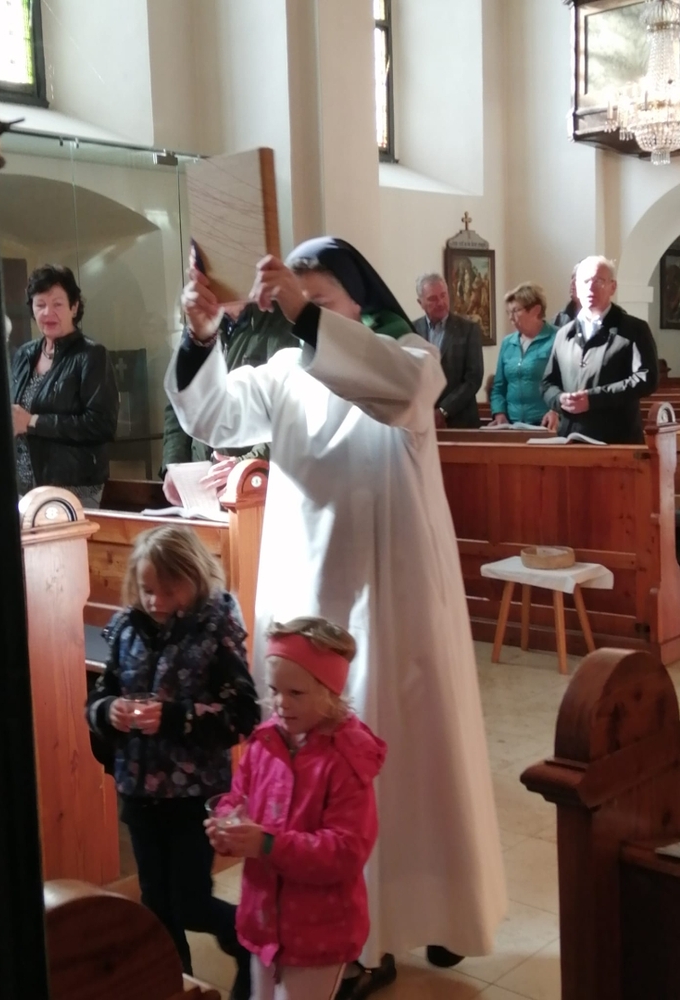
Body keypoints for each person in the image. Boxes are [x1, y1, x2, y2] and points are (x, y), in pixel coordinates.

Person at [166, 236, 506, 994]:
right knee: (317, 766)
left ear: (359, 299)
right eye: (297, 299)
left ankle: (432, 909)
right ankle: (348, 940)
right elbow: (215, 412)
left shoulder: (410, 356)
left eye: (317, 299)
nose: (300, 311)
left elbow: (399, 391)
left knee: (409, 759)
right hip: (314, 587)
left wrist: (303, 315)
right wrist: (200, 335)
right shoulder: (287, 371)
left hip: (395, 597)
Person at [85, 524, 260, 1000]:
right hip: (138, 790)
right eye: (147, 589)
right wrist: (109, 712)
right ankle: (174, 987)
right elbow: (99, 696)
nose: (156, 601)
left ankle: (250, 943)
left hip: (193, 795)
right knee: (156, 906)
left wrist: (173, 717)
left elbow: (242, 715)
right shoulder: (126, 627)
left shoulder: (216, 630)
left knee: (189, 903)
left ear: (196, 579)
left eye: (169, 590)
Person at [206, 616, 387, 1000]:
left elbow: (346, 850)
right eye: (274, 690)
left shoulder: (345, 760)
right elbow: (238, 797)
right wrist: (226, 822)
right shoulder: (265, 743)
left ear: (330, 692)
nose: (280, 703)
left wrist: (267, 844)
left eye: (296, 693)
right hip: (262, 918)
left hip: (320, 931)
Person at [161, 301, 298, 499]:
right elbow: (178, 405)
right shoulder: (202, 325)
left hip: (253, 489)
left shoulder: (282, 321)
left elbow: (290, 413)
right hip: (200, 487)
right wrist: (175, 466)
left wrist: (245, 465)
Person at [10, 264, 119, 508]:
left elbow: (102, 425)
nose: (48, 312)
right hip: (24, 487)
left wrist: (33, 422)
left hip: (75, 487)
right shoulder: (24, 354)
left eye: (57, 304)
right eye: (40, 304)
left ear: (74, 307)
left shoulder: (92, 355)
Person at [541, 255, 659, 444]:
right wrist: (560, 399)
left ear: (613, 287)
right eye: (585, 281)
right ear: (576, 287)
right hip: (571, 437)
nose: (590, 287)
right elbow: (547, 383)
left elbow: (646, 379)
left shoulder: (633, 329)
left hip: (617, 439)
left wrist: (594, 399)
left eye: (599, 281)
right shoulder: (564, 333)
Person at [412, 273, 483, 428]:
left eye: (443, 295)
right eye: (432, 298)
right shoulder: (412, 330)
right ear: (420, 302)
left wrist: (444, 410)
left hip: (461, 421)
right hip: (422, 421)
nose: (440, 302)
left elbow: (473, 378)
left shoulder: (468, 329)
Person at [489, 282, 558, 429]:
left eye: (516, 311)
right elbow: (499, 387)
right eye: (508, 312)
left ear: (536, 310)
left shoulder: (557, 338)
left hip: (545, 424)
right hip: (512, 425)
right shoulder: (508, 343)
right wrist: (499, 413)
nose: (511, 318)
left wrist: (555, 411)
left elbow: (568, 384)